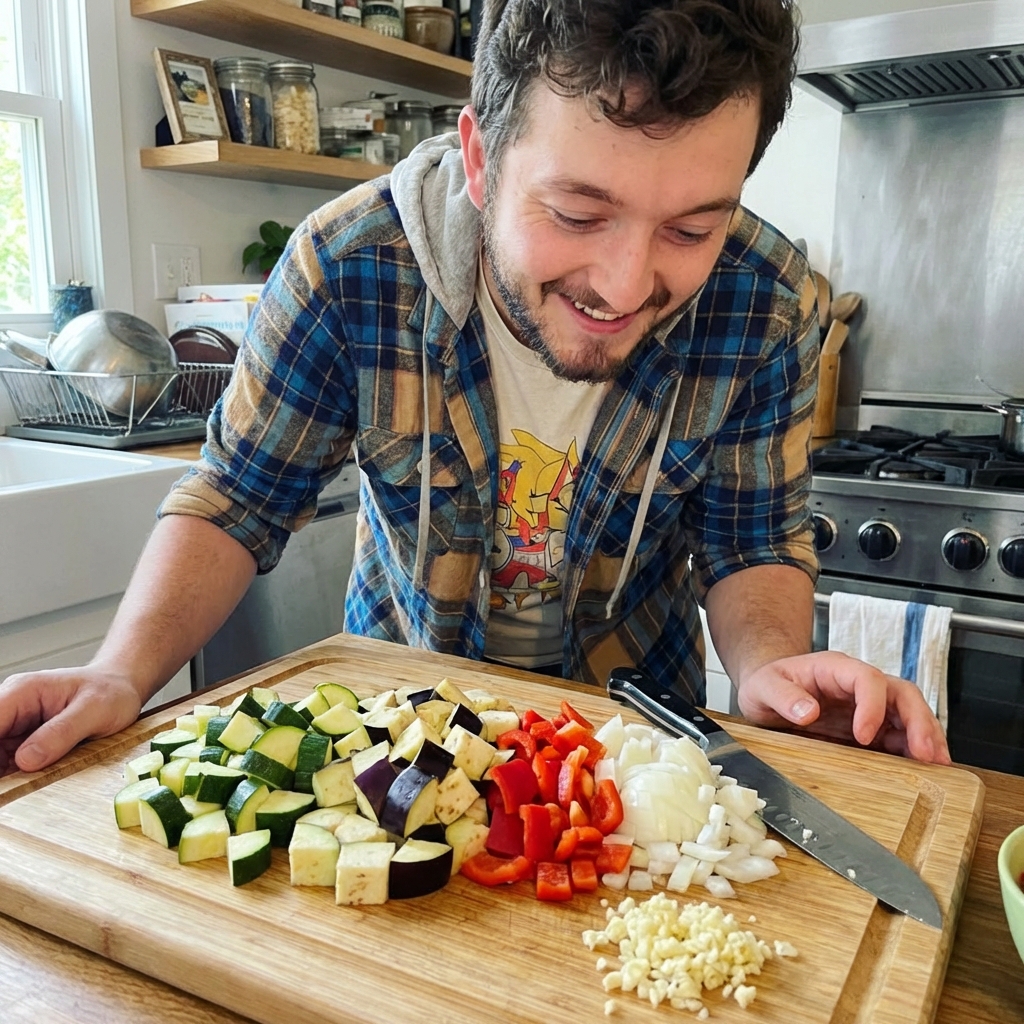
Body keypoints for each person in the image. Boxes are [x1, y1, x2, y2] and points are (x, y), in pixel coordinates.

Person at [0, 0, 950, 776]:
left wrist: (774, 675)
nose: (624, 286)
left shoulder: (769, 303)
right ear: (481, 157)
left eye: (692, 230)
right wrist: (120, 673)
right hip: (400, 728)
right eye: (578, 212)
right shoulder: (346, 267)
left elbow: (750, 543)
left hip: (638, 745)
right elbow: (237, 498)